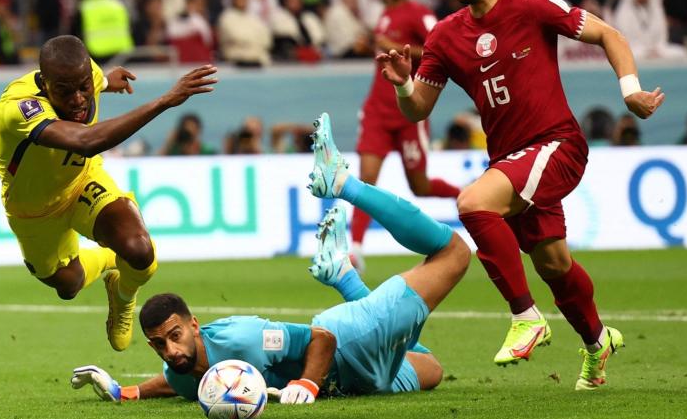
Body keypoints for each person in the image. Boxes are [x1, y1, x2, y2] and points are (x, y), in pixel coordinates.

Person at [376, 0, 665, 389]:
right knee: (554, 264)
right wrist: (405, 84)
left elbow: (611, 35)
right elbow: (419, 110)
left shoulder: (534, 7)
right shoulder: (446, 36)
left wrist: (630, 92)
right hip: (511, 160)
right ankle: (597, 343)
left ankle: (526, 317)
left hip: (558, 145)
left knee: (473, 203)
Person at [71, 112, 470, 402]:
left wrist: (307, 384)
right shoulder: (180, 373)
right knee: (431, 369)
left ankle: (345, 184)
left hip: (352, 343)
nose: (171, 350)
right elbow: (169, 381)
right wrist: (124, 391)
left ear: (195, 325)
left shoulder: (242, 337)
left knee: (452, 252)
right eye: (159, 345)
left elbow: (322, 338)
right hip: (362, 381)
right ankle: (343, 275)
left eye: (175, 337)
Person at [0, 35, 217, 351]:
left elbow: (95, 82)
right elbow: (87, 141)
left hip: (82, 180)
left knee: (139, 250)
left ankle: (123, 297)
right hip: (34, 209)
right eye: (65, 92)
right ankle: (110, 259)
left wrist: (109, 81)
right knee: (67, 284)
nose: (79, 99)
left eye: (84, 86)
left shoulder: (87, 73)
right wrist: (164, 101)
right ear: (45, 83)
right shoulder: (17, 108)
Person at [351, 0, 460, 272]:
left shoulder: (420, 14)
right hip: (377, 112)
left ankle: (468, 196)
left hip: (409, 111)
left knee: (420, 186)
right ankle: (356, 250)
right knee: (365, 182)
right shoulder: (384, 15)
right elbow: (387, 55)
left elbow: (438, 51)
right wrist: (369, 48)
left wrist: (396, 45)